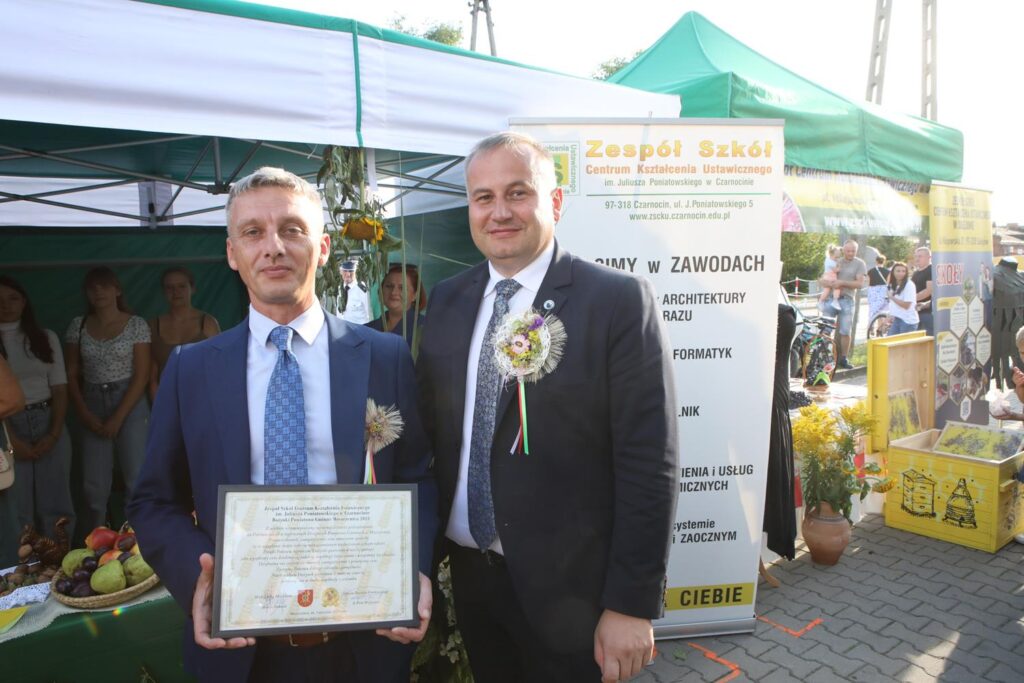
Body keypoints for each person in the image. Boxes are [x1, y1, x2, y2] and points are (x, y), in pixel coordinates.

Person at [127, 167, 437, 683]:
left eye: (292, 229)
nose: (273, 247)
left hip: (364, 639)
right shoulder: (191, 369)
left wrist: (415, 567)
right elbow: (154, 501)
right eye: (253, 232)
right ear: (232, 253)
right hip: (241, 648)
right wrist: (197, 575)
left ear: (323, 247)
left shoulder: (385, 356)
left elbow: (417, 475)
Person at [417, 132, 678, 683]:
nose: (499, 212)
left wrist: (630, 603)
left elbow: (648, 462)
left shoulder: (615, 301)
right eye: (483, 197)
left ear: (555, 202)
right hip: (472, 575)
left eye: (518, 192)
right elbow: (434, 436)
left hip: (573, 593)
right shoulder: (447, 299)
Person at [66, 266, 151, 537]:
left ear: (117, 290)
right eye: (92, 288)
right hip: (91, 400)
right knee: (93, 486)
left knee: (135, 478)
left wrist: (118, 417)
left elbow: (142, 375)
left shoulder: (136, 324)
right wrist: (84, 413)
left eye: (104, 286)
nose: (98, 292)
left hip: (130, 400)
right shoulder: (78, 325)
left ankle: (138, 542)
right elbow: (70, 373)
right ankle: (95, 543)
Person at [0, 276, 76, 540]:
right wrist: (12, 440)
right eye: (0, 300)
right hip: (8, 424)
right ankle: (24, 563)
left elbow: (60, 388)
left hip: (48, 417)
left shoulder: (45, 337)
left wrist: (54, 433)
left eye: (13, 298)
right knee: (17, 503)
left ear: (24, 302)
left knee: (56, 501)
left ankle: (59, 560)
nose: (6, 305)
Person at [149, 266, 220, 401]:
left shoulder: (208, 323)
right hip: (168, 399)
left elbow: (218, 368)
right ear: (164, 292)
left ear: (192, 289)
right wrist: (159, 407)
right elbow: (152, 376)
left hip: (203, 398)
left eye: (181, 286)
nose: (176, 292)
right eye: (169, 288)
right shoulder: (153, 326)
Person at [822, 239, 866, 370]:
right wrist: (827, 283)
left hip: (847, 299)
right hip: (831, 298)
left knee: (845, 331)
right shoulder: (836, 260)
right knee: (825, 328)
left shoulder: (860, 264)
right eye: (848, 251)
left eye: (853, 251)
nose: (850, 253)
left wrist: (842, 283)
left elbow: (860, 284)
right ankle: (823, 356)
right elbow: (824, 277)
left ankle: (843, 358)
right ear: (843, 250)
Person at [366, 263, 426, 348]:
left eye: (402, 288)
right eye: (389, 286)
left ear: (415, 295)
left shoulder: (426, 328)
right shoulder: (367, 329)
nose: (394, 292)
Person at [885, 261, 919, 336]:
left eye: (903, 271)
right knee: (891, 341)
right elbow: (893, 304)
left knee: (902, 344)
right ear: (893, 272)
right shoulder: (893, 284)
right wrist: (890, 315)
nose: (901, 273)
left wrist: (891, 297)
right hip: (897, 319)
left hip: (908, 322)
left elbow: (906, 305)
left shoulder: (909, 285)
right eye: (898, 271)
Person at [338, 260, 371, 324]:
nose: (348, 274)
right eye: (345, 271)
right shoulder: (339, 288)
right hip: (343, 327)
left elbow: (369, 312)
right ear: (341, 272)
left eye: (351, 271)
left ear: (356, 272)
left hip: (359, 328)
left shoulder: (361, 289)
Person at [912, 246, 934, 335]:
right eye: (916, 256)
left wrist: (911, 299)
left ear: (929, 257)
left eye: (920, 256)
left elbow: (929, 290)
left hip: (927, 312)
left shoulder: (931, 270)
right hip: (915, 312)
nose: (917, 259)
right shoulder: (916, 273)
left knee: (927, 338)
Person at [817, 245, 842, 313]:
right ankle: (835, 300)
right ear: (831, 254)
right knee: (837, 287)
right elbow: (836, 270)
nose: (837, 259)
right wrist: (839, 266)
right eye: (836, 257)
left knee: (827, 290)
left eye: (838, 257)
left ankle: (821, 301)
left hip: (827, 275)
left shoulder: (828, 259)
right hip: (831, 276)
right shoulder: (831, 262)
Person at [866, 254, 890, 323]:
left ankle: (871, 324)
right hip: (883, 292)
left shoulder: (870, 271)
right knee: (881, 310)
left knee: (873, 309)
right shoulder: (888, 272)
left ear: (876, 261)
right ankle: (880, 327)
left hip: (872, 291)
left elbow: (868, 283)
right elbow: (888, 283)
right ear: (884, 261)